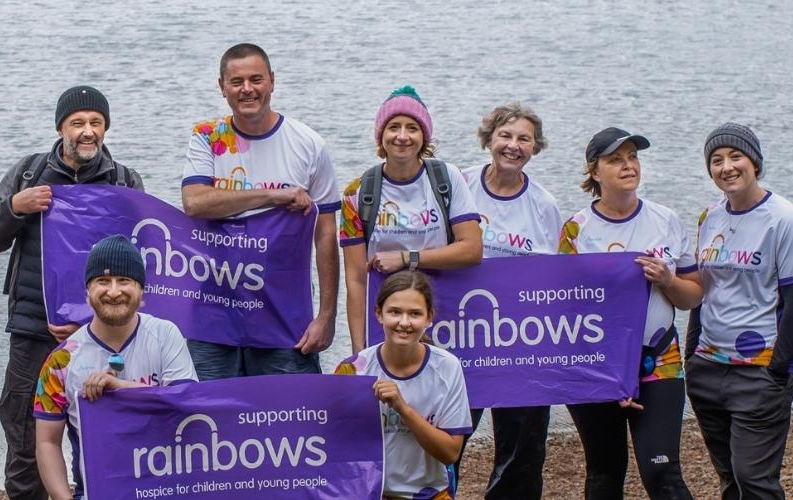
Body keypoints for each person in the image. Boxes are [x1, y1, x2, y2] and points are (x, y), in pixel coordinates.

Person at [0, 85, 144, 499]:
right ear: (61, 128)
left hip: (103, 332)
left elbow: (142, 262)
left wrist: (92, 322)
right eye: (78, 123)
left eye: (96, 123)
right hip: (33, 329)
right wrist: (15, 207)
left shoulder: (124, 181)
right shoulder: (29, 172)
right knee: (24, 435)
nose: (87, 132)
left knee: (104, 433)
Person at [560, 127, 702, 500]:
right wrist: (613, 373)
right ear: (594, 172)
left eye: (632, 157)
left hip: (659, 361)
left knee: (662, 472)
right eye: (615, 159)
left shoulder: (666, 219)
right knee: (604, 475)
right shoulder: (576, 230)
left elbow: (692, 296)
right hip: (595, 365)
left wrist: (668, 280)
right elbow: (566, 313)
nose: (628, 166)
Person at [181, 43, 338, 377]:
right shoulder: (207, 137)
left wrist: (326, 316)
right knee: (206, 418)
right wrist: (273, 196)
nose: (247, 89)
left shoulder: (308, 144)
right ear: (221, 86)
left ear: (272, 81)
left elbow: (326, 234)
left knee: (290, 418)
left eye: (256, 79)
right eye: (236, 82)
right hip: (213, 313)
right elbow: (195, 202)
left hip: (283, 314)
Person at [685, 123, 793, 500]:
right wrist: (693, 353)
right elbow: (704, 289)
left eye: (735, 156)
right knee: (729, 478)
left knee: (754, 479)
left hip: (759, 369)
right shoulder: (709, 217)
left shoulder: (783, 218)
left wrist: (779, 367)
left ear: (754, 162)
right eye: (716, 160)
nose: (726, 167)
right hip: (708, 365)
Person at [34, 235, 198, 500]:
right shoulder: (60, 361)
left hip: (167, 490)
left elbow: (187, 405)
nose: (113, 291)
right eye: (102, 281)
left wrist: (120, 388)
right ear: (87, 292)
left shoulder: (166, 334)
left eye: (124, 280)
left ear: (141, 289)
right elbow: (47, 442)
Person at [460, 102, 561, 499]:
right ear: (489, 139)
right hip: (463, 337)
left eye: (524, 139)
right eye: (505, 135)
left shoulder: (544, 205)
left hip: (521, 342)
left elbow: (552, 282)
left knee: (521, 453)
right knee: (444, 439)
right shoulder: (460, 185)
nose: (513, 146)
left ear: (535, 148)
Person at [338, 86, 483, 352]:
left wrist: (407, 259)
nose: (402, 137)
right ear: (381, 135)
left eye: (412, 128)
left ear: (424, 137)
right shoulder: (356, 194)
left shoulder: (447, 179)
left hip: (442, 314)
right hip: (386, 320)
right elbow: (356, 280)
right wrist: (359, 350)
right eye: (393, 127)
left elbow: (471, 249)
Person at [335, 270, 474, 500]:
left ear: (430, 317)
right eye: (395, 312)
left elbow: (451, 453)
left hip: (429, 494)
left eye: (415, 313)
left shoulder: (448, 367)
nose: (404, 323)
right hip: (369, 494)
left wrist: (403, 408)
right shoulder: (353, 370)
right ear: (378, 314)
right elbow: (338, 445)